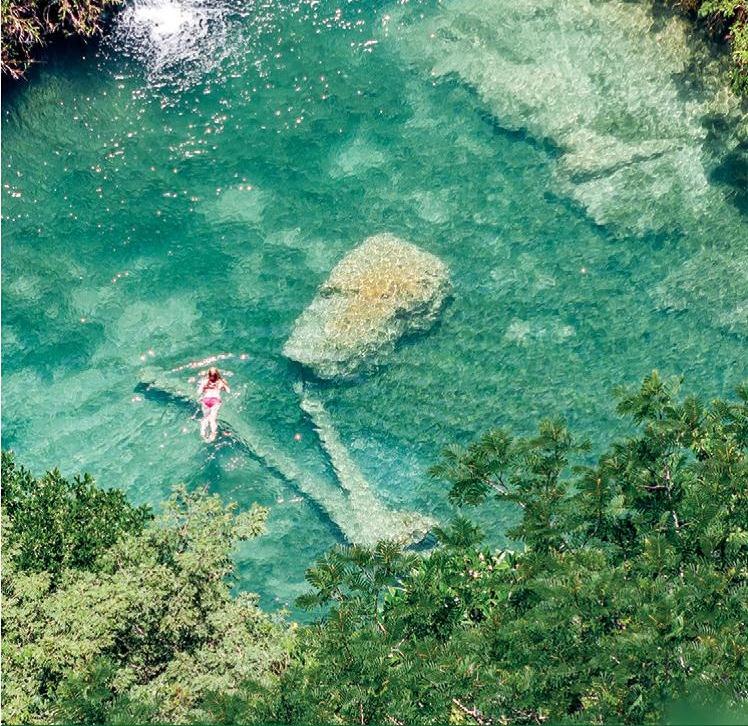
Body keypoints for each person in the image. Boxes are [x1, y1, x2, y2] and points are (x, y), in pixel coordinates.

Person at [198, 367, 230, 442]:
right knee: (212, 419)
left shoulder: (205, 381)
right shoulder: (221, 381)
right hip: (215, 400)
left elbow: (199, 391)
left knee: (205, 417)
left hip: (205, 400)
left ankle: (202, 433)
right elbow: (228, 391)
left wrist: (204, 389)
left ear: (208, 374)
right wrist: (224, 385)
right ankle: (212, 434)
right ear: (217, 374)